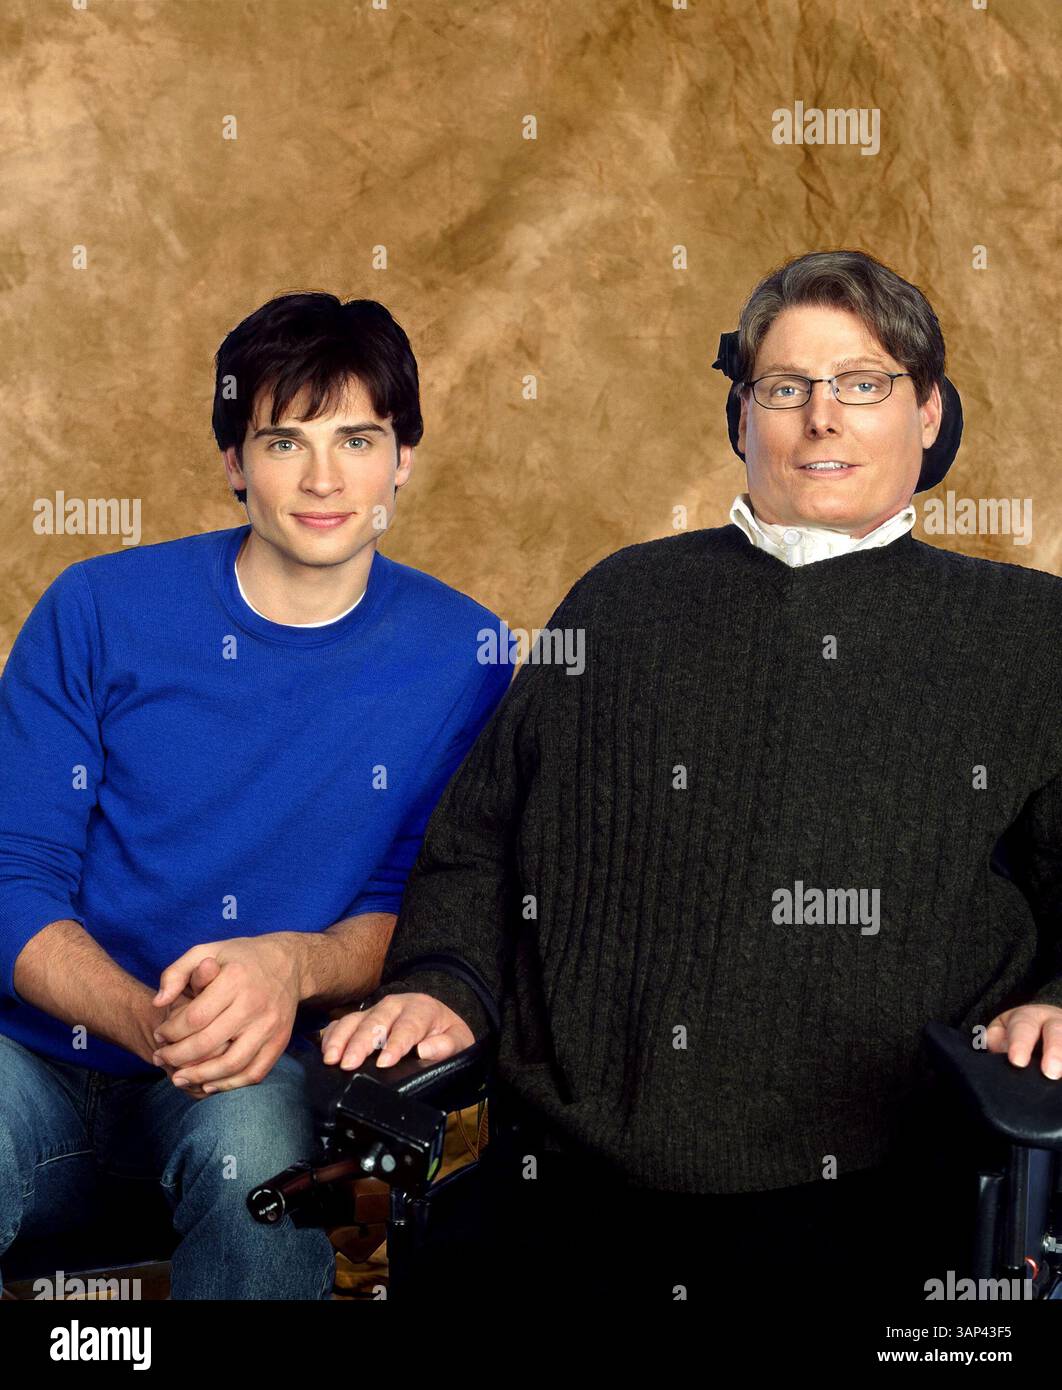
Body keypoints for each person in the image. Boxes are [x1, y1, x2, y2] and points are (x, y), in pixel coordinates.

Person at [319, 250, 1062, 1305]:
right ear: (742, 418)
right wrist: (445, 981)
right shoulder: (619, 603)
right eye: (785, 387)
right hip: (575, 1179)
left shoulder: (1028, 636)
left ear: (930, 412)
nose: (822, 417)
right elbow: (479, 842)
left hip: (880, 1193)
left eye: (864, 383)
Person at [0, 293, 512, 1299]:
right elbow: (13, 878)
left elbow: (425, 901)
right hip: (36, 1059)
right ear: (235, 462)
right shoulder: (97, 609)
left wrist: (288, 964)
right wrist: (148, 1019)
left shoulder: (468, 655)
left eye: (358, 439)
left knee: (255, 1158)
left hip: (257, 1074)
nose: (324, 479)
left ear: (403, 456)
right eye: (285, 441)